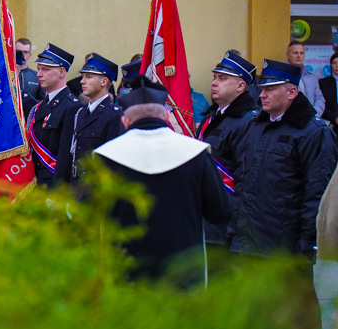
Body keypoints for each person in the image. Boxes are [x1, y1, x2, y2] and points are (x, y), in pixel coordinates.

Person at [94, 77, 231, 284]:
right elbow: (221, 212)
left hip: (126, 274)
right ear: (167, 116)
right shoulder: (196, 153)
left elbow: (93, 216)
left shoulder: (105, 157)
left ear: (125, 120)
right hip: (183, 273)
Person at [226, 59, 337, 259]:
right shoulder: (255, 126)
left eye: (270, 89)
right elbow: (243, 183)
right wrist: (233, 232)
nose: (261, 95)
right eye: (261, 89)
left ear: (291, 92)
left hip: (283, 247)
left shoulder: (313, 132)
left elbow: (317, 192)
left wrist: (308, 244)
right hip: (247, 243)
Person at [196, 51, 259, 250]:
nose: (214, 83)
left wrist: (235, 229)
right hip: (206, 216)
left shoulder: (248, 121)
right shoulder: (211, 117)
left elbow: (246, 178)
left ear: (241, 86)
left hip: (225, 222)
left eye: (222, 78)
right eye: (214, 77)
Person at [25, 43, 83, 188]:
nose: (39, 74)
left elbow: (68, 156)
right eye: (38, 69)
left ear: (62, 72)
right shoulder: (37, 107)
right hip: (33, 181)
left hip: (54, 182)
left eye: (45, 69)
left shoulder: (73, 106)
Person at [63, 53, 124, 183]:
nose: (82, 81)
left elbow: (112, 163)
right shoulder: (80, 113)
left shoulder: (115, 115)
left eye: (88, 77)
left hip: (96, 188)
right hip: (76, 186)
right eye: (82, 76)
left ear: (104, 81)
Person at [286, 40, 325, 117]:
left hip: (311, 119)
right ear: (287, 55)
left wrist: (314, 114)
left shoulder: (311, 76)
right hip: (290, 121)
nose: (299, 56)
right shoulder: (281, 75)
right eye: (295, 53)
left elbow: (319, 98)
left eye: (301, 53)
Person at [16, 38, 43, 102]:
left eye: (25, 52)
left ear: (30, 55)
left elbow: (42, 103)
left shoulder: (37, 76)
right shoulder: (4, 75)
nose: (21, 55)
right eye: (18, 51)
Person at [318, 51, 338, 130]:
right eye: (334, 63)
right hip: (329, 125)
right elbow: (321, 105)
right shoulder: (323, 82)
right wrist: (334, 117)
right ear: (330, 65)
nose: (337, 66)